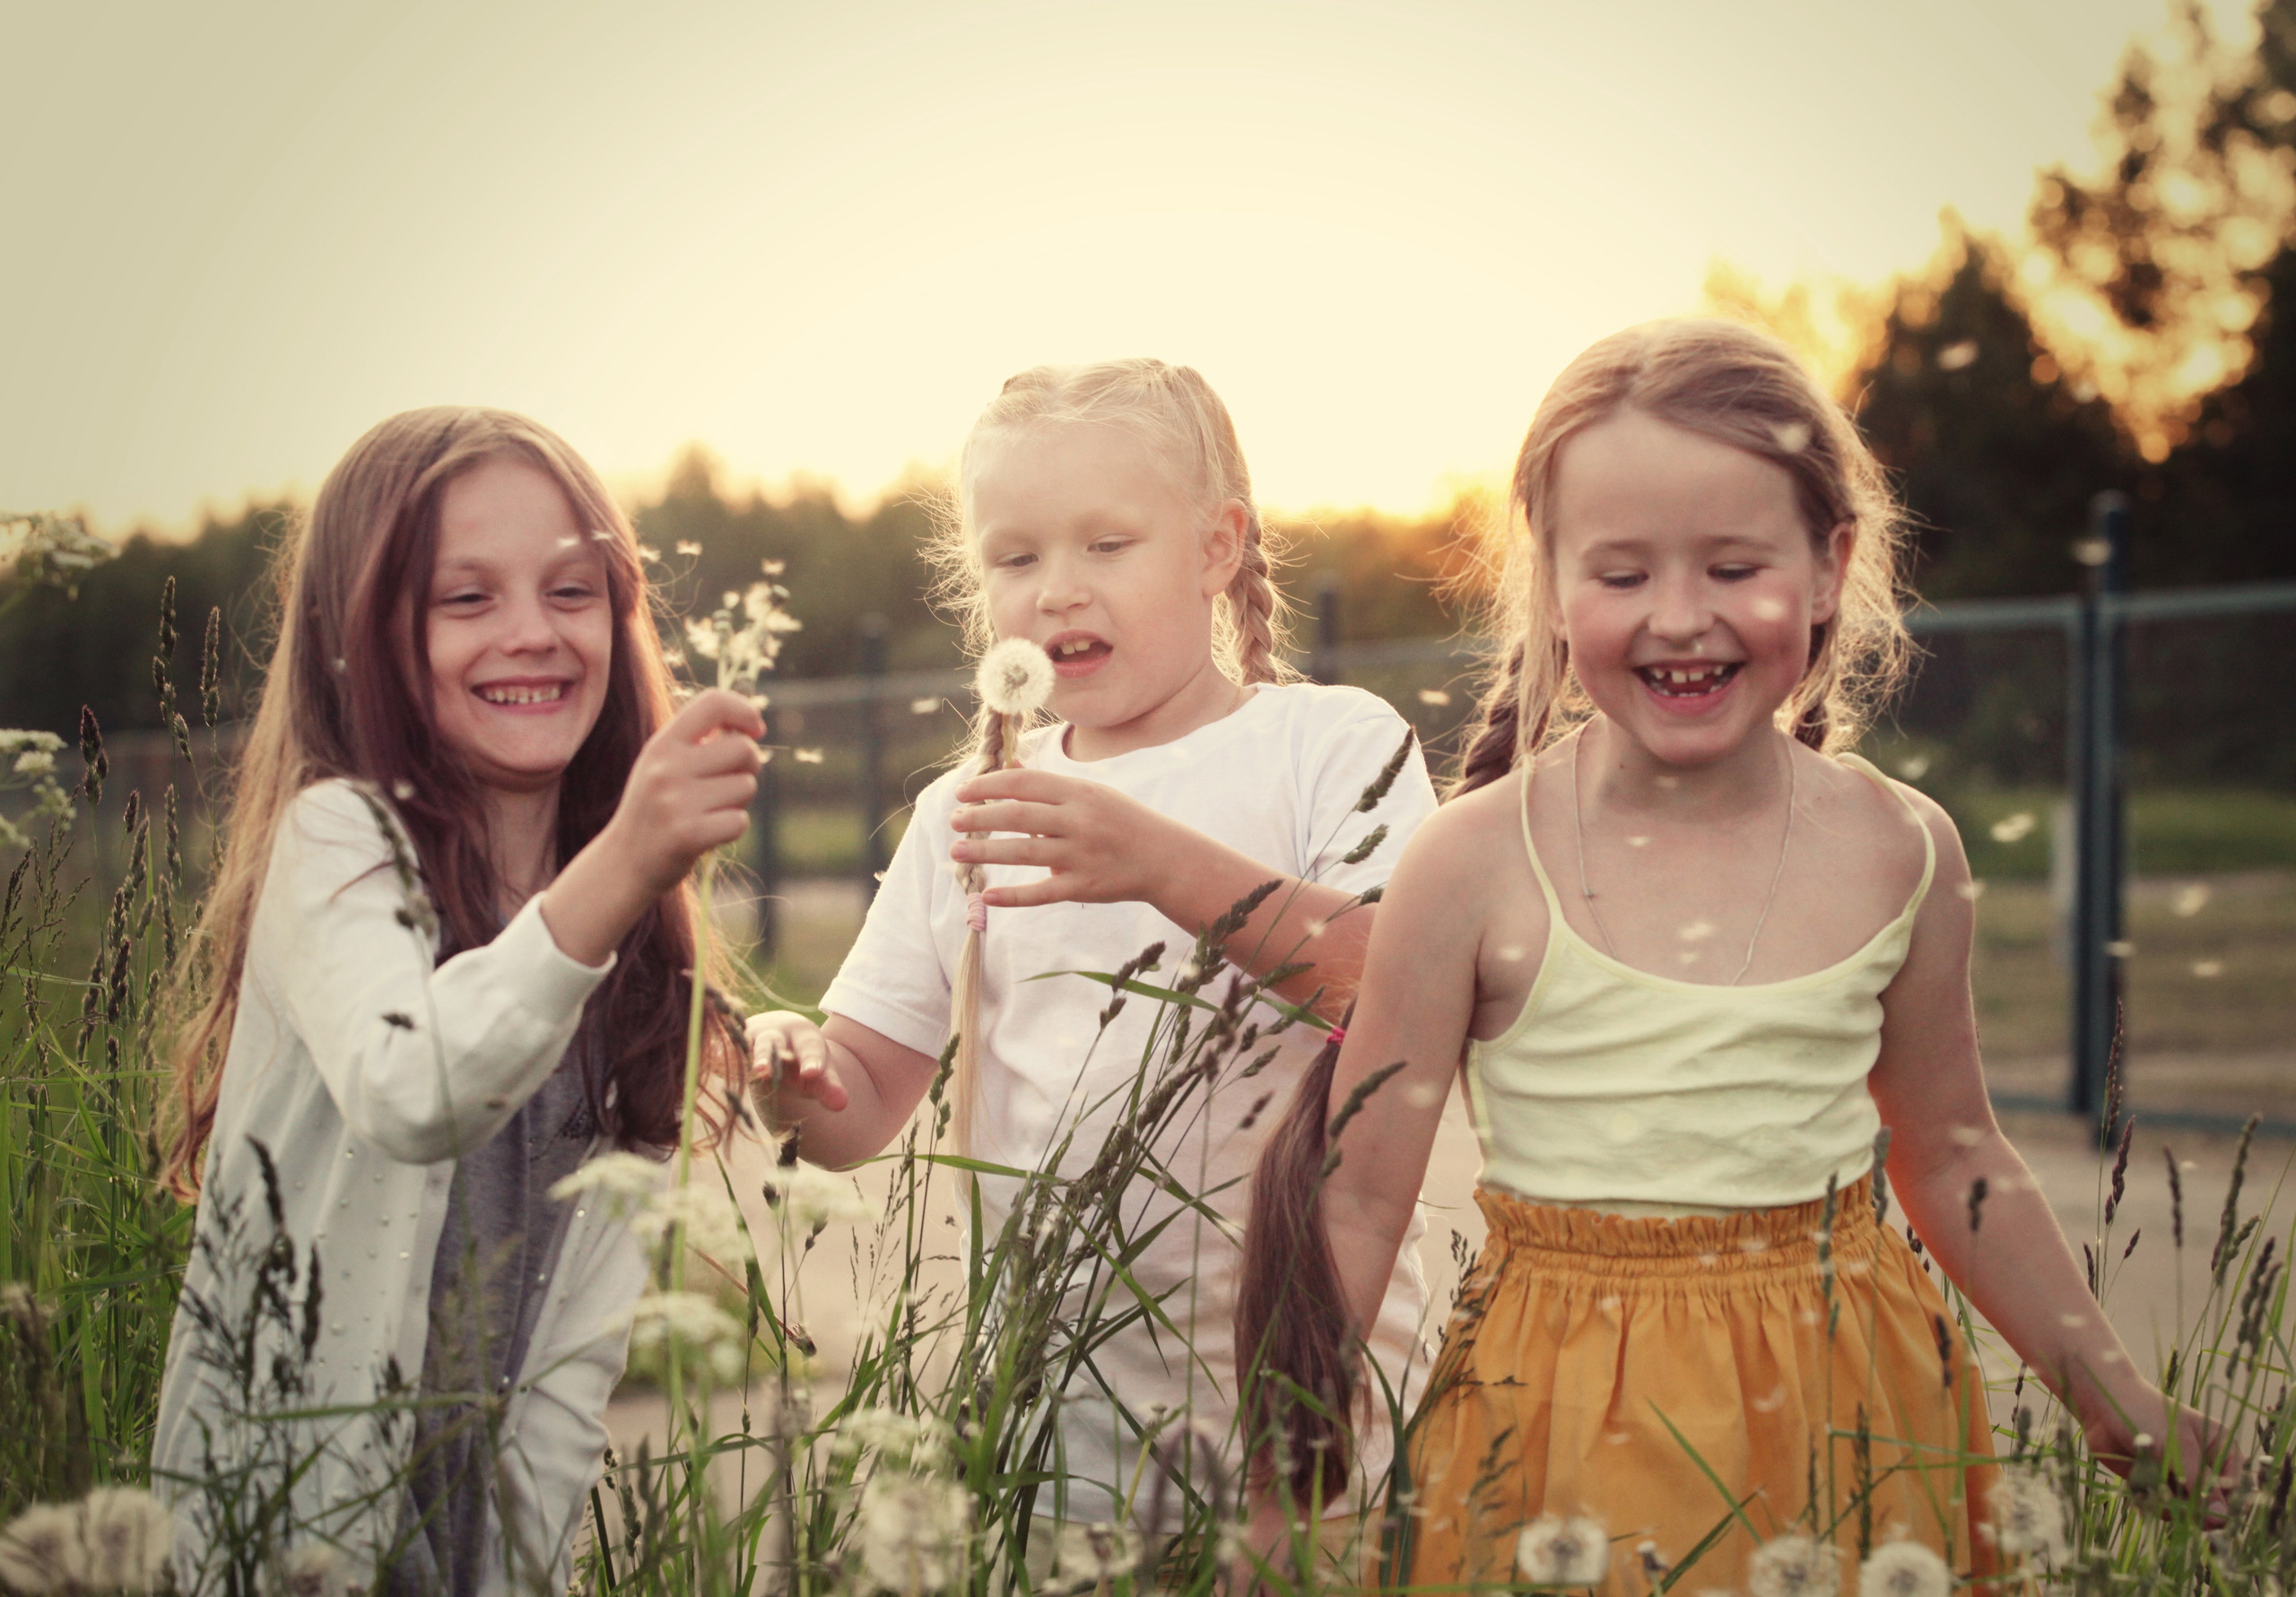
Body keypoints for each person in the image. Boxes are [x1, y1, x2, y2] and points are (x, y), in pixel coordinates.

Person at [1237, 320, 2235, 1593]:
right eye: (1623, 573)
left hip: (1854, 1412)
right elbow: (1360, 1195)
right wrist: (1286, 1489)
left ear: (1830, 566)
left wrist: (2111, 1393)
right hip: (1560, 1425)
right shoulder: (1475, 862)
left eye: (1732, 565)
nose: (1680, 617)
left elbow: (1955, 1150)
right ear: (1549, 582)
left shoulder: (1899, 849)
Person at [749, 360, 1434, 1546]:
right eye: (1015, 559)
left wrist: (1159, 861)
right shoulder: (968, 811)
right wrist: (791, 1070)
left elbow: (1390, 986)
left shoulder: (1328, 743)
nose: (1057, 592)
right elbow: (858, 1106)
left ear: (1218, 546)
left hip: (1310, 1397)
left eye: (1107, 544)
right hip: (1059, 1414)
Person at [150, 407, 762, 1597]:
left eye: (573, 589)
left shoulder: (622, 936)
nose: (532, 632)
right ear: (362, 637)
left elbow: (569, 1372)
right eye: (465, 599)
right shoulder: (337, 842)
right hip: (283, 1547)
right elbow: (408, 1089)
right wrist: (625, 863)